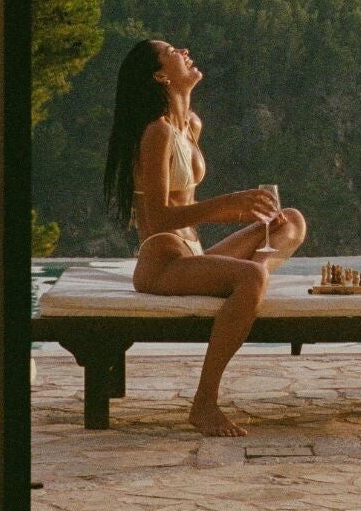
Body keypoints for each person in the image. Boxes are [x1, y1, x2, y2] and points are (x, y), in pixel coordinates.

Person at [104, 37, 306, 436]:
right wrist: (227, 206)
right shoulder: (157, 133)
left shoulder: (190, 125)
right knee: (251, 277)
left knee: (291, 221)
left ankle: (253, 278)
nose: (183, 52)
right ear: (160, 76)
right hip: (162, 260)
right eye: (171, 53)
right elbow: (159, 218)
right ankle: (204, 403)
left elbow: (190, 205)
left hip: (192, 253)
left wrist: (236, 211)